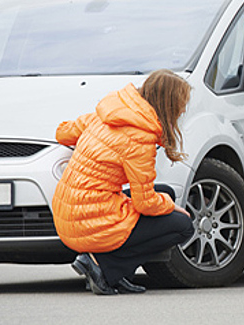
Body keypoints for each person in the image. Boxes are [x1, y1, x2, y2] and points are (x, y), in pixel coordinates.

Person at [52, 69, 195, 295]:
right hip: (89, 220)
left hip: (67, 210)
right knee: (183, 225)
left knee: (165, 191)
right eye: (181, 105)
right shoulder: (140, 138)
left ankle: (118, 274)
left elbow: (63, 133)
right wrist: (171, 206)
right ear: (168, 105)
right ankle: (104, 267)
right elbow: (145, 203)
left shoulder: (110, 113)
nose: (183, 110)